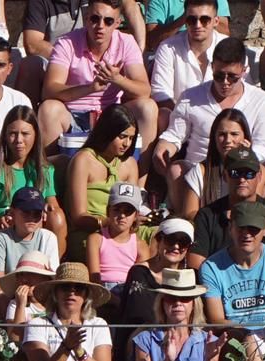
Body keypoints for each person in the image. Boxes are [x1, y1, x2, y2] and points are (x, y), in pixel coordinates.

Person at [151, 39, 265, 218]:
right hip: (200, 169)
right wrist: (164, 147)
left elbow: (264, 148)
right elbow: (174, 135)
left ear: (244, 70)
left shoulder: (262, 100)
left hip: (243, 168)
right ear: (212, 68)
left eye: (232, 77)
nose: (225, 82)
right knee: (176, 169)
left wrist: (244, 155)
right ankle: (186, 224)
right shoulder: (190, 97)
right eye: (219, 76)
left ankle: (256, 219)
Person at [38, 0, 157, 153]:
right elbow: (49, 90)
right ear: (86, 18)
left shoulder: (126, 42)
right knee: (48, 109)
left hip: (112, 115)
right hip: (72, 114)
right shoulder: (66, 43)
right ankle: (49, 174)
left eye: (108, 21)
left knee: (148, 107)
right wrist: (90, 88)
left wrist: (117, 79)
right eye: (95, 19)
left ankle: (138, 175)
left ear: (117, 23)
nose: (100, 26)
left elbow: (144, 90)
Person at [0, 104, 62, 260]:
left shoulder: (43, 169)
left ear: (36, 135)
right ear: (4, 135)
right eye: (13, 134)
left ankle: (54, 269)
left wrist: (45, 209)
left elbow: (53, 208)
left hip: (31, 228)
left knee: (57, 217)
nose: (19, 140)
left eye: (25, 134)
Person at [201, 200, 265, 332]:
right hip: (235, 339)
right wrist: (251, 335)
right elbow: (217, 320)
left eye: (253, 229)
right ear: (230, 228)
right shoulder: (211, 268)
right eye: (241, 227)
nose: (247, 234)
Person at [190, 146, 265, 265]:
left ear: (259, 176)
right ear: (225, 176)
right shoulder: (207, 215)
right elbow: (196, 264)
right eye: (235, 173)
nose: (242, 179)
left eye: (249, 174)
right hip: (217, 281)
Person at [63, 106, 141, 241]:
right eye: (122, 137)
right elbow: (78, 217)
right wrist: (109, 223)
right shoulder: (83, 160)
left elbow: (132, 208)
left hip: (122, 230)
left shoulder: (130, 164)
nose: (127, 143)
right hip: (90, 233)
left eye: (131, 138)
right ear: (107, 132)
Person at [130, 267, 215, 361]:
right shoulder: (145, 339)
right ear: (162, 303)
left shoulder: (209, 341)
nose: (178, 303)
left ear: (194, 304)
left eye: (185, 298)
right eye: (171, 298)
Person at [0, 186, 61, 314]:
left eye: (36, 213)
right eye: (26, 212)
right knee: (0, 298)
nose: (31, 217)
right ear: (12, 213)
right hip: (9, 296)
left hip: (40, 296)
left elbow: (51, 279)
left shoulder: (48, 237)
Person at [149, 0, 228, 117]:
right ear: (185, 21)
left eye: (205, 20)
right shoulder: (168, 48)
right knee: (163, 115)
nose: (198, 25)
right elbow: (161, 95)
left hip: (222, 122)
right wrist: (189, 118)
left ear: (215, 21)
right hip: (180, 119)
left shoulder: (229, 47)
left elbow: (243, 92)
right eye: (191, 20)